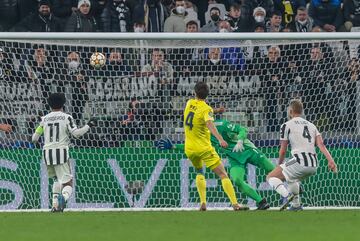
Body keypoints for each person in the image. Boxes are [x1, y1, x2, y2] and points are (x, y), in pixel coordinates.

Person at [157, 117, 275, 210]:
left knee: (274, 172)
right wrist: (173, 146)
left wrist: (240, 140)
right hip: (234, 159)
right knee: (237, 180)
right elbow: (192, 147)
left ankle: (291, 192)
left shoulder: (222, 125)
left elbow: (242, 129)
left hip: (249, 151)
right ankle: (261, 202)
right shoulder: (205, 134)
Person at [181, 82, 247, 211]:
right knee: (223, 174)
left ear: (194, 92)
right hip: (204, 148)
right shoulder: (207, 109)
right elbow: (210, 123)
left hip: (189, 149)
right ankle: (235, 204)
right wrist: (220, 139)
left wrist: (216, 110)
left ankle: (203, 203)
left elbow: (201, 112)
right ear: (207, 94)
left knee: (199, 172)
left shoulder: (189, 103)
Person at [267, 99, 337, 211]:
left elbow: (283, 150)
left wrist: (279, 165)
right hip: (313, 165)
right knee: (292, 179)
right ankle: (296, 206)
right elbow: (321, 144)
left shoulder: (286, 125)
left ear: (290, 111)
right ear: (301, 111)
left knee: (271, 177)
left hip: (300, 161)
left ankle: (287, 195)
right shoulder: (311, 125)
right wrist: (331, 161)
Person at [31, 93, 96, 212]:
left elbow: (34, 138)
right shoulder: (66, 117)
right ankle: (63, 198)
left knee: (56, 179)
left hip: (47, 153)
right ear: (63, 103)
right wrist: (89, 125)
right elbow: (76, 134)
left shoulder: (44, 119)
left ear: (49, 104)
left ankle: (55, 206)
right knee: (68, 183)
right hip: (61, 151)